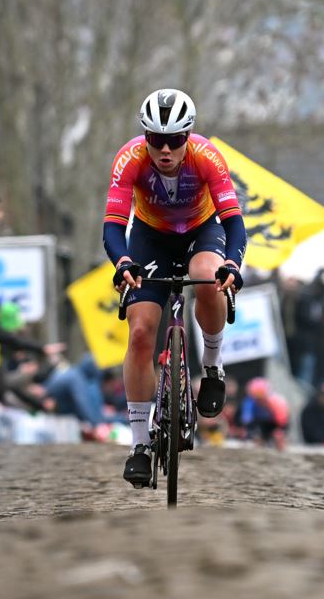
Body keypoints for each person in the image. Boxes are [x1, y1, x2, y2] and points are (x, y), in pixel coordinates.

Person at [103, 88, 247, 487]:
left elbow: (234, 221)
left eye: (175, 141)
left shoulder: (207, 158)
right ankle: (139, 445)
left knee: (208, 278)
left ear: (189, 137)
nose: (165, 150)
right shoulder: (129, 159)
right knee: (141, 332)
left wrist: (232, 263)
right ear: (144, 137)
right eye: (155, 140)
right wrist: (123, 263)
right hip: (150, 237)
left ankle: (213, 366)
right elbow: (114, 225)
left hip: (202, 230)